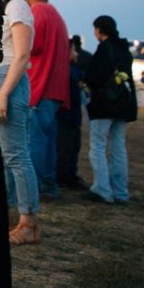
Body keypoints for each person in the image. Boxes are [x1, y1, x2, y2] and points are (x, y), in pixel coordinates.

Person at [0, 0, 41, 244]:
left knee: (17, 156)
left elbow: (22, 55)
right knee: (6, 155)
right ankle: (13, 216)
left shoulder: (17, 6)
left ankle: (29, 223)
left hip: (10, 79)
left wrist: (4, 95)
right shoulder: (5, 7)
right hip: (0, 77)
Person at [23, 0, 70, 199]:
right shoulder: (57, 16)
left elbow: (33, 45)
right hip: (56, 89)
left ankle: (35, 186)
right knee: (49, 140)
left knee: (35, 141)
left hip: (40, 87)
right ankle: (49, 184)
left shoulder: (38, 12)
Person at [83, 15, 136, 204]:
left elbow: (94, 77)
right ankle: (121, 192)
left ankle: (102, 189)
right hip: (122, 105)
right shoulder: (124, 50)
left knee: (97, 146)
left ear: (99, 30)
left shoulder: (104, 49)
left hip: (104, 104)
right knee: (119, 147)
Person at [56, 35, 88, 188]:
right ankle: (65, 175)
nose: (77, 54)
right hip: (68, 117)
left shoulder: (72, 69)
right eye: (74, 50)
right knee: (67, 147)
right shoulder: (68, 71)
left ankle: (68, 174)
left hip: (72, 117)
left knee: (72, 146)